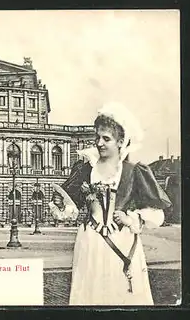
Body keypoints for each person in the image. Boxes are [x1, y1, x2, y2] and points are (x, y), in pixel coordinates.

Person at [61, 102, 171, 305]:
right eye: (97, 137)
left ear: (121, 141)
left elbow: (158, 214)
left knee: (122, 292)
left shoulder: (134, 171)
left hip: (123, 240)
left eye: (106, 139)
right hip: (90, 242)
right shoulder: (86, 169)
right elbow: (70, 204)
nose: (99, 143)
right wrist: (66, 209)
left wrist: (132, 218)